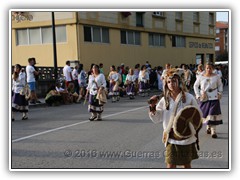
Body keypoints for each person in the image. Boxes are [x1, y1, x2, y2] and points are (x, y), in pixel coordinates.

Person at [149, 68, 202, 168]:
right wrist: (153, 108)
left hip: (186, 136)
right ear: (166, 84)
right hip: (171, 138)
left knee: (186, 165)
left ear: (179, 82)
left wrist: (191, 129)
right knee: (170, 165)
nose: (171, 84)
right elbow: (157, 118)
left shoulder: (189, 97)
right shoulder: (164, 100)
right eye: (168, 81)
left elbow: (197, 115)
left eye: (174, 81)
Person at [194, 62, 223, 138]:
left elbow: (220, 85)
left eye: (210, 68)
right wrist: (198, 95)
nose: (208, 69)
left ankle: (214, 131)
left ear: (212, 69)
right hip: (204, 98)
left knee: (212, 114)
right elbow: (195, 86)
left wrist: (220, 92)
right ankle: (208, 127)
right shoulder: (201, 77)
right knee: (206, 114)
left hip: (214, 97)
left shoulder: (216, 76)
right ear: (205, 68)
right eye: (207, 68)